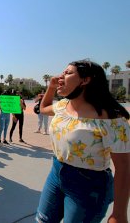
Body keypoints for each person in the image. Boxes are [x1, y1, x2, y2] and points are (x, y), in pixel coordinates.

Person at [36, 60, 130, 223]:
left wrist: (119, 213)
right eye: (62, 72)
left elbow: (124, 167)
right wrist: (50, 88)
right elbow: (43, 109)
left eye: (68, 73)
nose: (60, 76)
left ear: (85, 80)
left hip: (89, 185)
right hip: (56, 174)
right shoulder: (62, 106)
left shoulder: (112, 120)